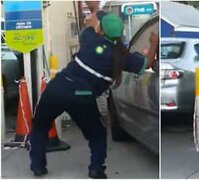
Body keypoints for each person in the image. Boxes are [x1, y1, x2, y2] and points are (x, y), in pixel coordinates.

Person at [29, 12, 159, 179]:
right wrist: (154, 43)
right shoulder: (121, 56)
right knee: (97, 134)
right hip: (82, 95)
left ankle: (38, 166)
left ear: (102, 30)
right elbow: (146, 64)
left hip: (58, 88)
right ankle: (96, 169)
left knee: (39, 125)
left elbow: (90, 21)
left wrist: (97, 12)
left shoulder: (89, 38)